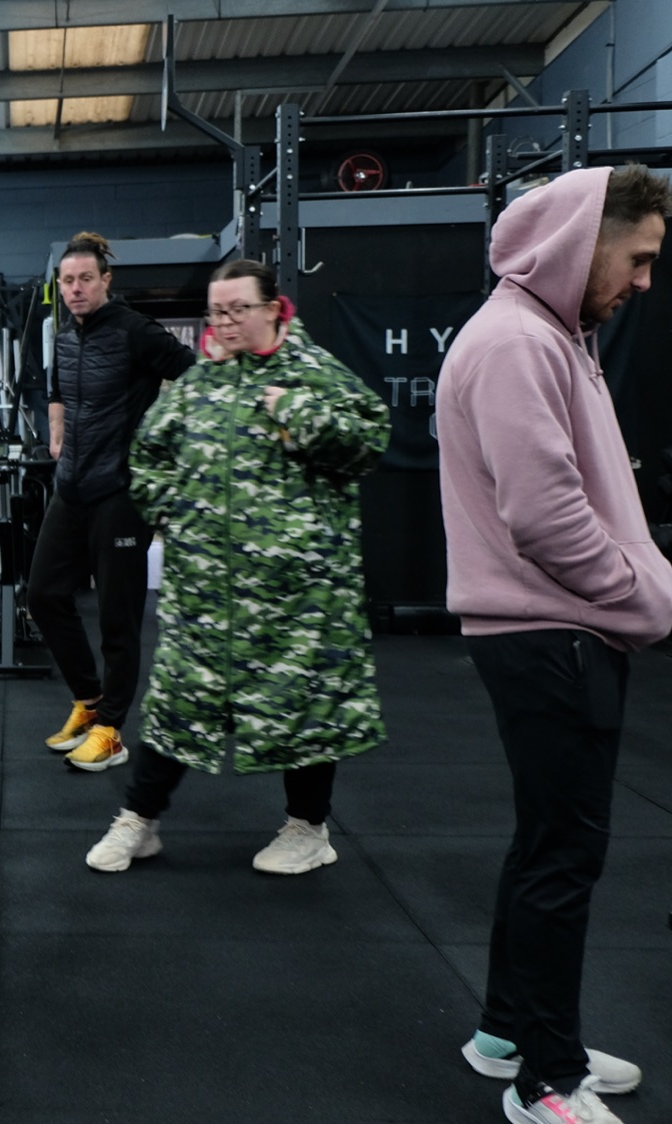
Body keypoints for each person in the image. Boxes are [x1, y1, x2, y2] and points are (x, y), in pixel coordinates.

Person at [437, 165, 672, 1124]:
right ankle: (547, 1080)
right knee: (563, 861)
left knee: (546, 845)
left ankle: (507, 1034)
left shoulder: (546, 335)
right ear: (585, 246)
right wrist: (640, 594)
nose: (645, 281)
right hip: (553, 635)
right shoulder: (516, 342)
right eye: (638, 259)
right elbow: (543, 517)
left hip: (556, 632)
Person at [84, 258, 389, 878]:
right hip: (203, 595)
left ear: (273, 308)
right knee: (176, 706)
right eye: (215, 311)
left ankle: (308, 829)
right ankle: (138, 821)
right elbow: (148, 453)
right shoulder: (200, 381)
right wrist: (171, 507)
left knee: (302, 708)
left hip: (298, 598)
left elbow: (371, 438)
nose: (223, 322)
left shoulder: (312, 371)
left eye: (237, 309)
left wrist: (300, 414)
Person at [27, 231, 196, 771]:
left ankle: (111, 731)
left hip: (121, 493)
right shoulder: (64, 336)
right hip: (72, 487)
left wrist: (160, 445)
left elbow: (192, 374)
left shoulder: (134, 330)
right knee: (43, 595)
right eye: (67, 281)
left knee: (117, 618)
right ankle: (89, 699)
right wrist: (58, 438)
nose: (75, 289)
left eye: (85, 279)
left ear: (105, 280)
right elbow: (57, 390)